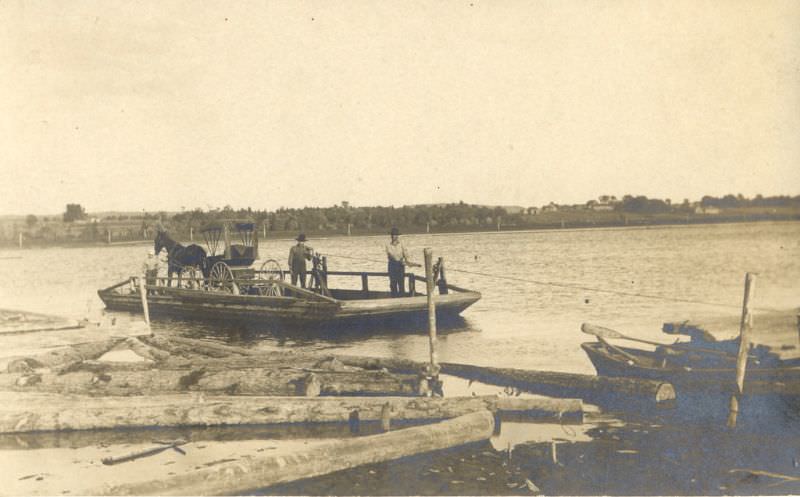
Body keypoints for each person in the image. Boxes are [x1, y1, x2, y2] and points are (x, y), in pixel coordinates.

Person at [386, 227, 419, 297]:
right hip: (392, 266)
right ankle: (394, 298)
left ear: (397, 236)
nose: (393, 236)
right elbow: (390, 255)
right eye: (392, 235)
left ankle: (402, 299)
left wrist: (407, 261)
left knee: (401, 284)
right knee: (393, 284)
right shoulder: (388, 245)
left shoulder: (402, 244)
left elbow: (406, 254)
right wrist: (398, 260)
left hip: (400, 267)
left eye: (395, 235)